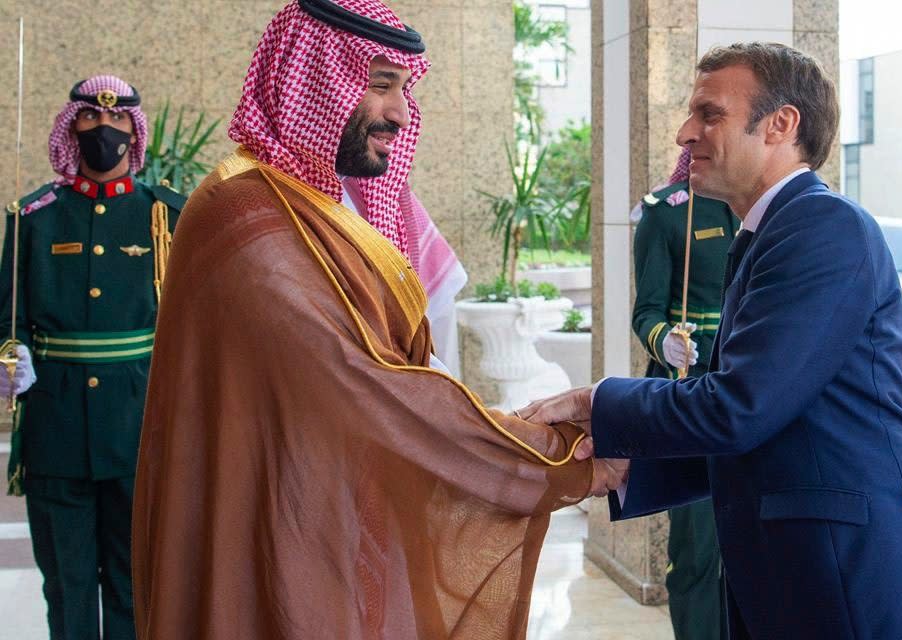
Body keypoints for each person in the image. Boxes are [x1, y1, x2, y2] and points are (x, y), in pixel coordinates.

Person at [130, 2, 623, 638]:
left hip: (331, 519)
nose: (399, 113)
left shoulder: (316, 204)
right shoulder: (246, 213)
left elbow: (400, 370)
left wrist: (515, 428)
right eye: (379, 83)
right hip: (271, 531)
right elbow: (370, 388)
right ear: (312, 76)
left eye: (403, 88)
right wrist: (559, 456)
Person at [521, 42, 902, 639]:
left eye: (709, 114)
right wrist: (627, 467)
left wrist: (600, 401)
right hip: (801, 580)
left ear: (781, 124)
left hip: (856, 588)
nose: (684, 133)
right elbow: (776, 424)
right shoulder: (768, 233)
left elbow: (742, 406)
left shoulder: (824, 228)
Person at [0, 75, 184, 640]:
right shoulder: (33, 216)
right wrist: (11, 357)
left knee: (134, 582)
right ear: (70, 128)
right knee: (67, 584)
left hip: (138, 424)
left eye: (119, 120)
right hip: (54, 424)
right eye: (90, 119)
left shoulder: (167, 216)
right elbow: (7, 317)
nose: (105, 130)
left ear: (136, 131)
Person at [631, 146, 734, 640]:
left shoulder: (768, 209)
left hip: (761, 390)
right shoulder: (668, 211)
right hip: (692, 392)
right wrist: (665, 340)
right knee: (696, 546)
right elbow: (646, 310)